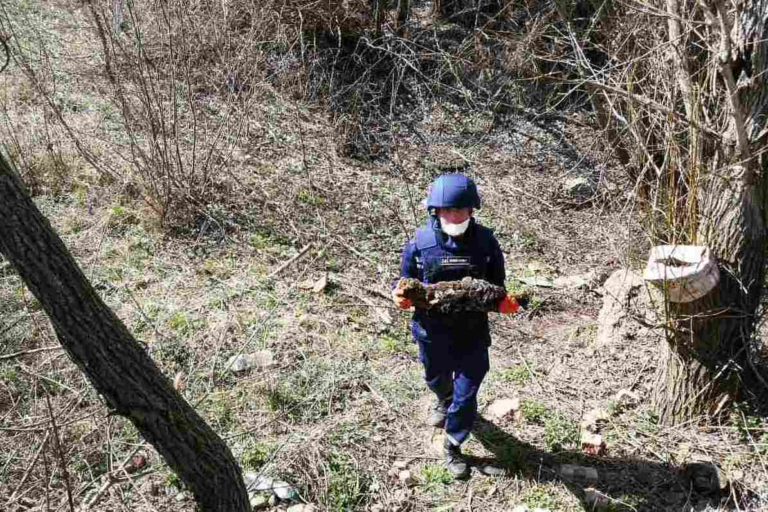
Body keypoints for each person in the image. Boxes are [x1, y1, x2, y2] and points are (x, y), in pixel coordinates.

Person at [392, 173, 518, 479]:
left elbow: (498, 285)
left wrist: (504, 302)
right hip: (431, 332)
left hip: (471, 332)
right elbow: (404, 282)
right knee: (436, 378)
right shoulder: (419, 244)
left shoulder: (486, 242)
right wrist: (401, 296)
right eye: (447, 210)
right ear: (435, 210)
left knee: (468, 391)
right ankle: (442, 398)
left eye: (461, 210)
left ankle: (452, 443)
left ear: (472, 210)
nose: (455, 215)